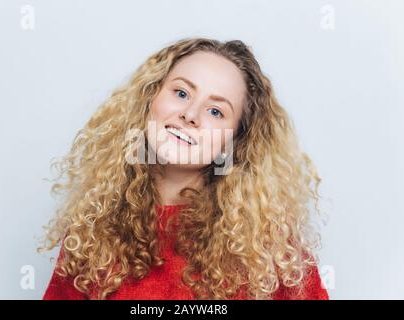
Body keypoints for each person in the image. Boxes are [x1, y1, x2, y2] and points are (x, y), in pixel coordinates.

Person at [39, 37, 329, 300]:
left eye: (216, 111)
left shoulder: (267, 241)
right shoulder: (94, 225)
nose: (190, 115)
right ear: (149, 99)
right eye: (181, 93)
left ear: (233, 141)